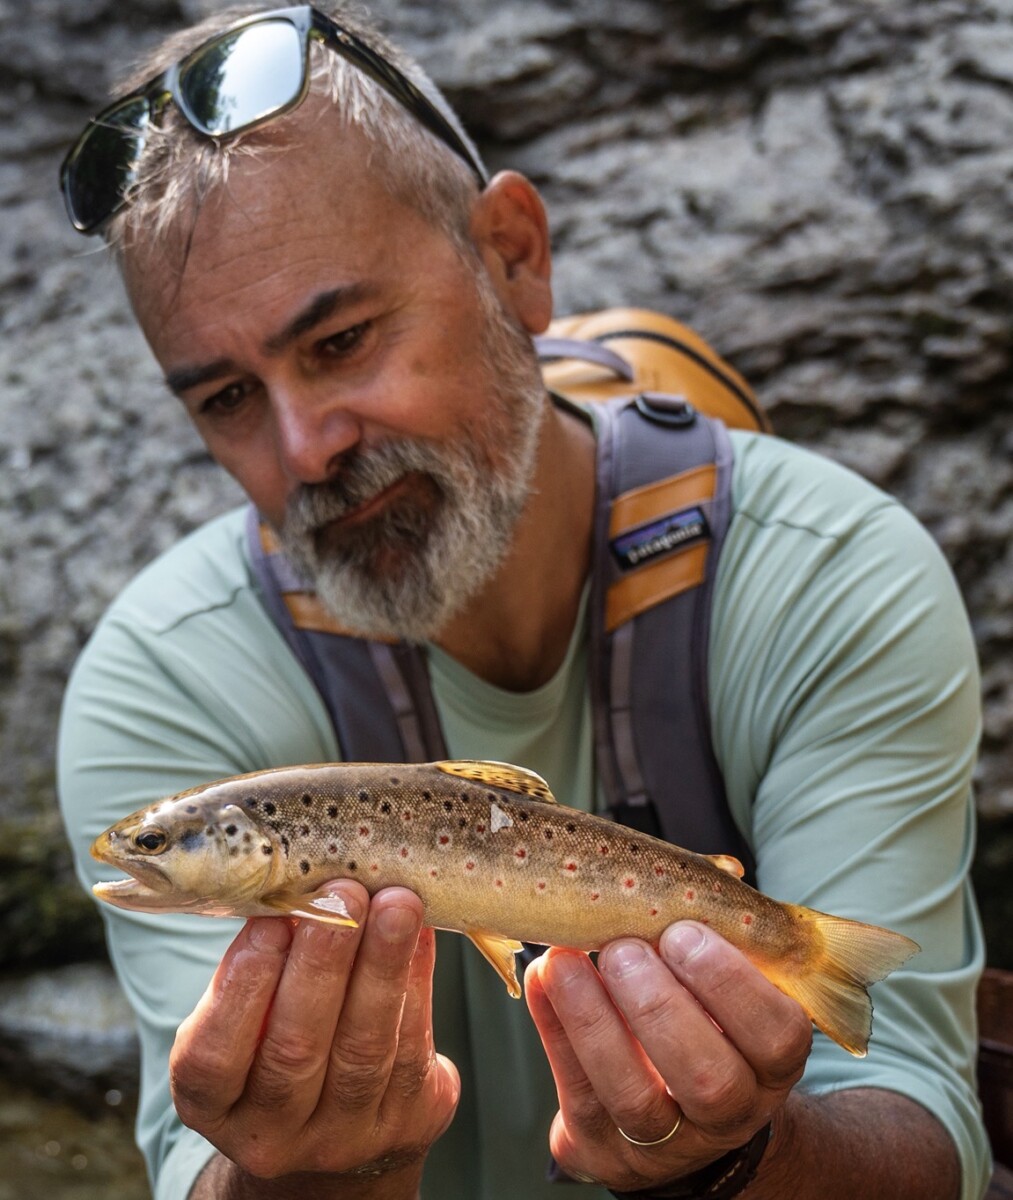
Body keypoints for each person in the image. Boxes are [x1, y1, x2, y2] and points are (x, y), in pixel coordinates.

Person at [56, 4, 990, 1199]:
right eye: (227, 400)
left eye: (341, 341)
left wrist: (736, 1158)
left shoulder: (831, 573)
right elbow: (196, 1170)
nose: (304, 449)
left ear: (514, 256)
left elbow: (918, 1129)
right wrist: (304, 1181)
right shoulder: (160, 677)